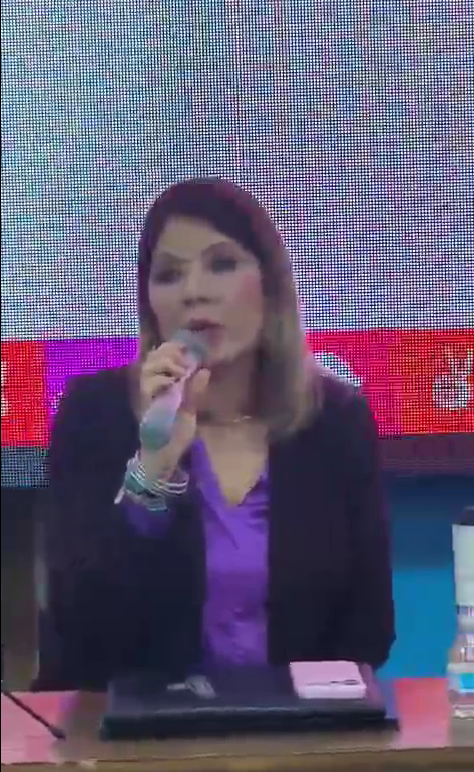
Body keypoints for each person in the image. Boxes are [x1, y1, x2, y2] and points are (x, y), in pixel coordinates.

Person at [34, 178, 395, 691]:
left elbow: (370, 629)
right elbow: (80, 631)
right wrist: (153, 469)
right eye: (168, 274)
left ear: (270, 287)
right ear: (149, 303)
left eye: (221, 264)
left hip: (296, 727)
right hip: (131, 731)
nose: (194, 292)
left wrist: (288, 717)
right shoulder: (96, 414)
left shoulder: (335, 421)